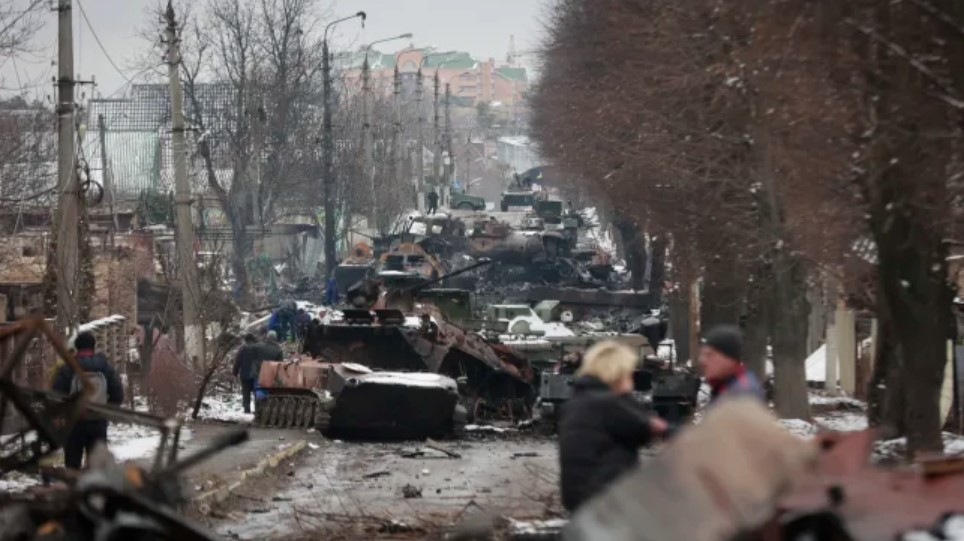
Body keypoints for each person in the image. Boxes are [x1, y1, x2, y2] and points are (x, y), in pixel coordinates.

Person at [559, 341, 668, 512]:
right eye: (628, 373)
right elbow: (646, 429)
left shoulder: (579, 400)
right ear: (617, 372)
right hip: (605, 498)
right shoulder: (608, 403)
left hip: (580, 498)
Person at [52, 331, 124, 470]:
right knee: (97, 467)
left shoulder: (68, 368)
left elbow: (55, 395)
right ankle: (94, 490)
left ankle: (74, 489)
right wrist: (107, 412)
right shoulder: (105, 367)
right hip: (98, 422)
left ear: (77, 347)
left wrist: (61, 417)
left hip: (74, 424)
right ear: (93, 347)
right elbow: (118, 394)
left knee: (73, 465)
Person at [699, 325, 765, 403]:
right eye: (702, 354)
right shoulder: (723, 387)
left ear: (728, 358)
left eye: (710, 355)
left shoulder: (742, 393)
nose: (702, 360)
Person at [232, 334, 260, 414]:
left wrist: (235, 372)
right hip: (255, 374)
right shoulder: (257, 348)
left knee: (246, 392)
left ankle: (246, 409)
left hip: (244, 374)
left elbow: (238, 361)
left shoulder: (242, 349)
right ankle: (257, 409)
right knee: (256, 392)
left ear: (246, 340)